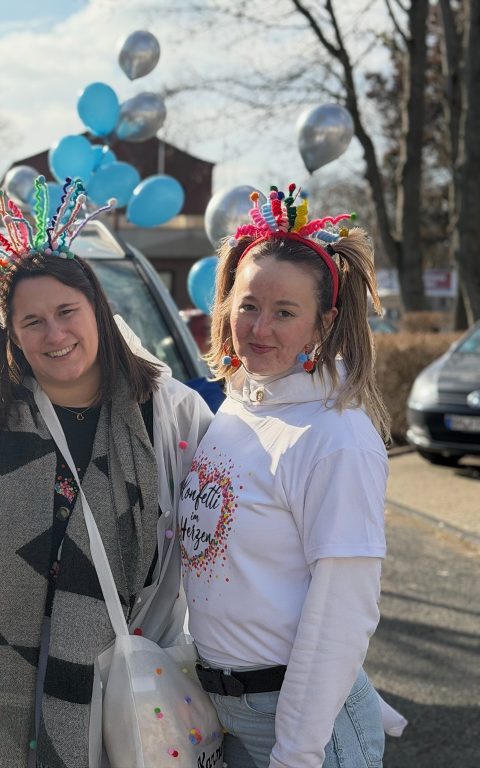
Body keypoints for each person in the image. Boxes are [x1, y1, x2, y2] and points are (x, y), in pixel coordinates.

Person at [0, 179, 213, 767]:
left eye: (67, 312)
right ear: (9, 331)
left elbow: (214, 545)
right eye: (32, 321)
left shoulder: (168, 412)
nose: (54, 334)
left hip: (126, 670)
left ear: (98, 311)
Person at [179, 185, 402, 767]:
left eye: (285, 312)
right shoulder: (236, 406)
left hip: (300, 727)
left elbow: (343, 610)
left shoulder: (336, 438)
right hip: (222, 710)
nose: (260, 328)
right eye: (249, 305)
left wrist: (297, 752)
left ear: (322, 323)